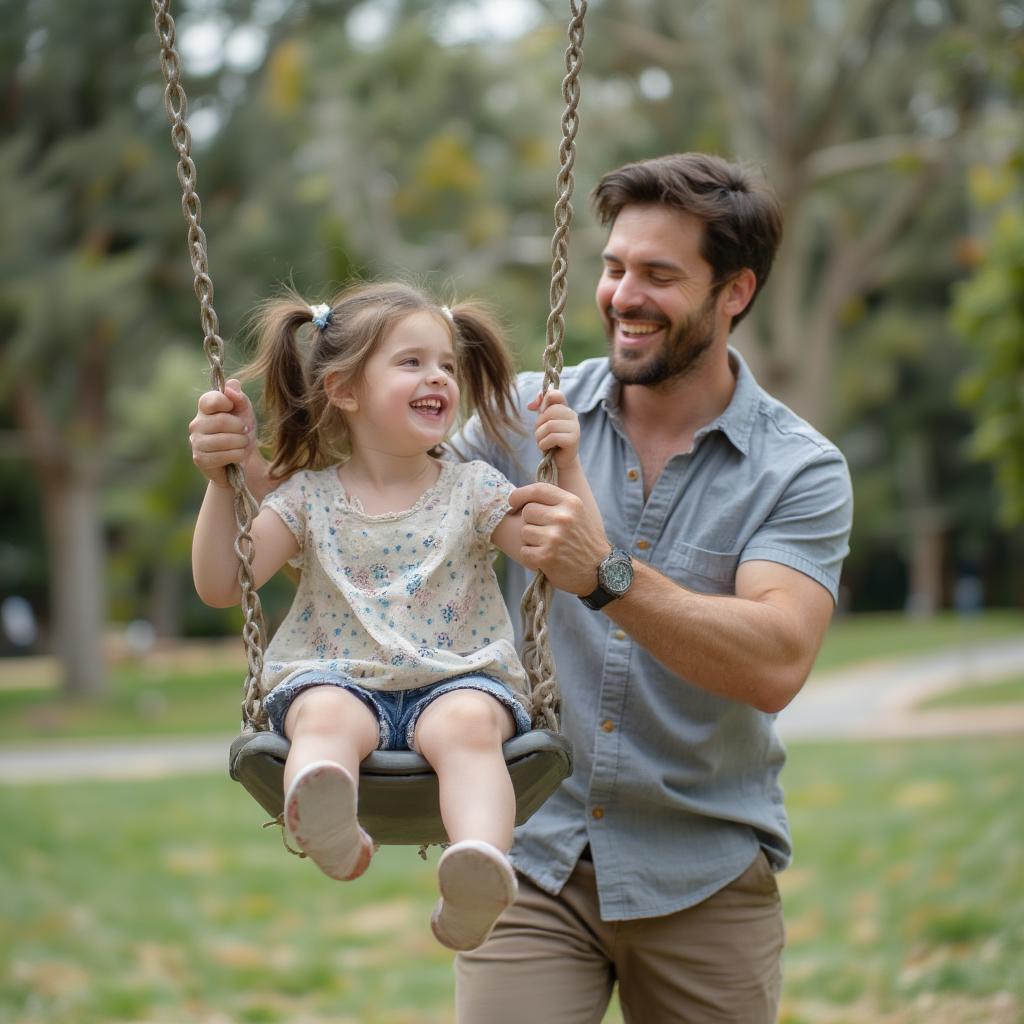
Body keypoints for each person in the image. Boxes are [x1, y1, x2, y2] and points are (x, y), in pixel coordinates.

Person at [190, 152, 854, 1022]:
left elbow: (776, 663)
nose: (623, 295)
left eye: (660, 275)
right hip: (529, 859)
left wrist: (608, 576)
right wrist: (238, 469)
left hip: (701, 865)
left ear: (736, 291)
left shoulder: (797, 469)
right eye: (614, 267)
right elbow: (377, 503)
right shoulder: (517, 411)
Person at [189, 280, 595, 953]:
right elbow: (222, 584)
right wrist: (220, 479)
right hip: (340, 679)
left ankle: (478, 869)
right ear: (345, 389)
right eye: (411, 362)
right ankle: (327, 813)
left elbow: (571, 563)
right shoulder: (307, 499)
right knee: (322, 715)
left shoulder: (475, 489)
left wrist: (569, 468)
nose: (437, 376)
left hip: (459, 679)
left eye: (445, 364)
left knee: (468, 725)